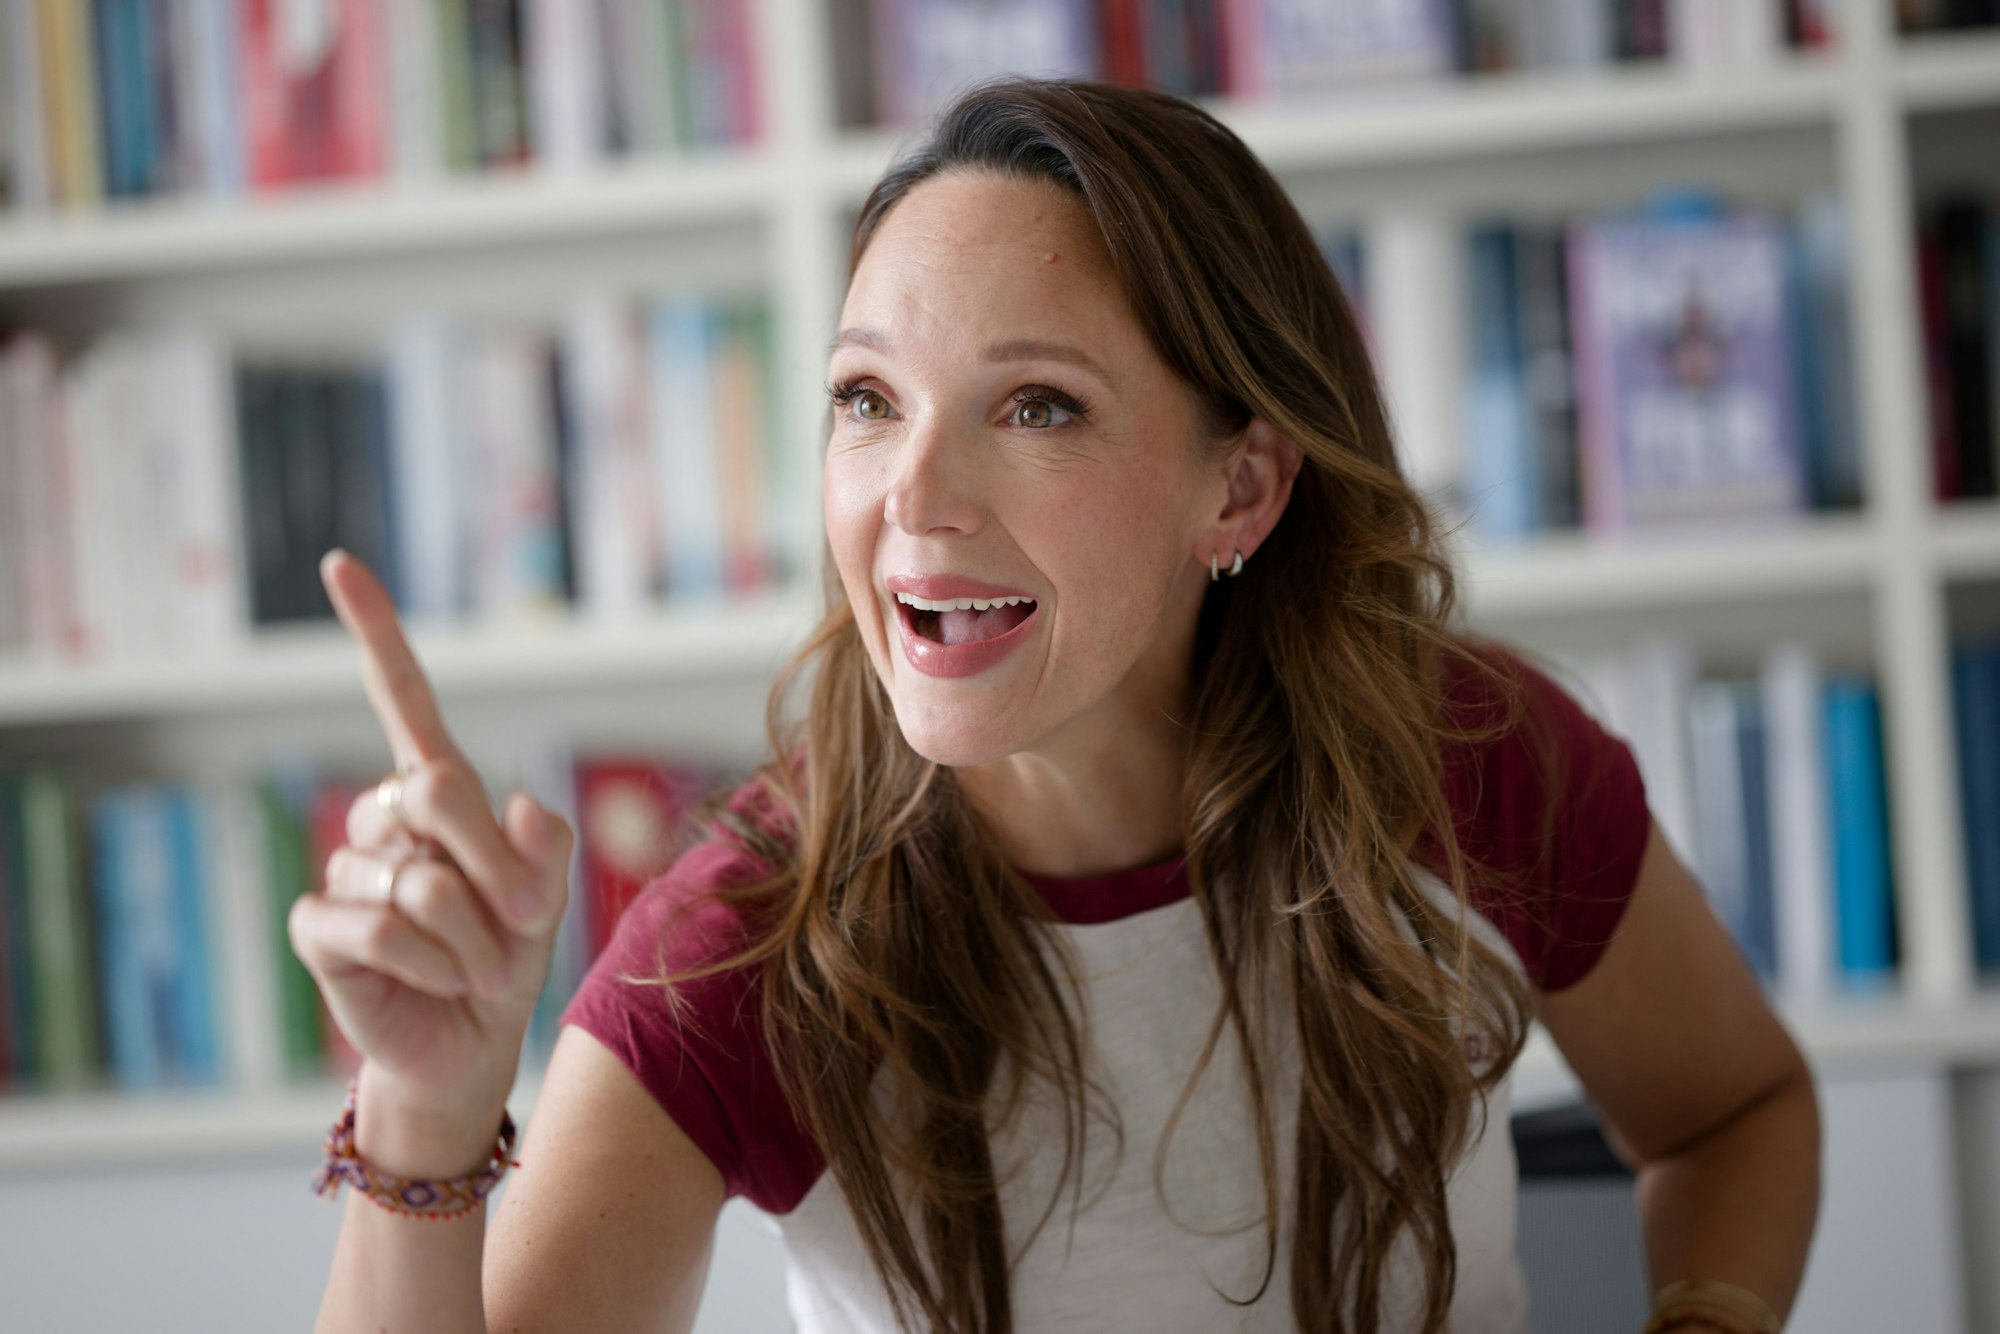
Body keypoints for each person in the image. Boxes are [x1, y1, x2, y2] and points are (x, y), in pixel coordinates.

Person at [296, 77, 1819, 1334]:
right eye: (866, 400)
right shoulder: (753, 942)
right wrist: (425, 1114)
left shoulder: (1472, 762)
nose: (913, 496)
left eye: (1037, 407)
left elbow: (1732, 1110)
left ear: (1240, 485)